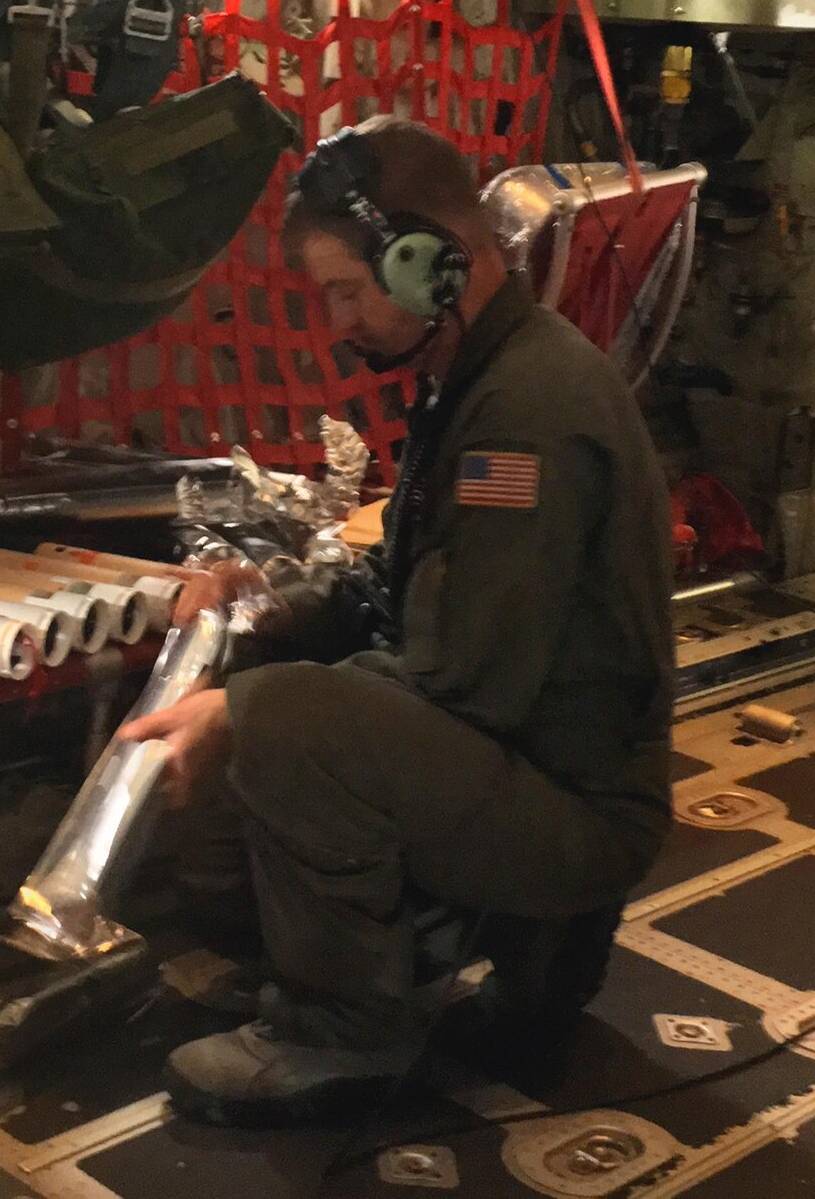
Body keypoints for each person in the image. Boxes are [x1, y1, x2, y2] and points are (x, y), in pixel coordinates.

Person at [121, 117, 675, 1127]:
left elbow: (464, 678)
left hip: (575, 814)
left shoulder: (523, 414)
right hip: (549, 775)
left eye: (345, 288)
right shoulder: (486, 379)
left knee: (286, 719)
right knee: (268, 670)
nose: (338, 320)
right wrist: (260, 608)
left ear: (426, 262)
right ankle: (485, 958)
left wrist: (242, 710)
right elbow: (391, 581)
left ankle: (337, 1033)